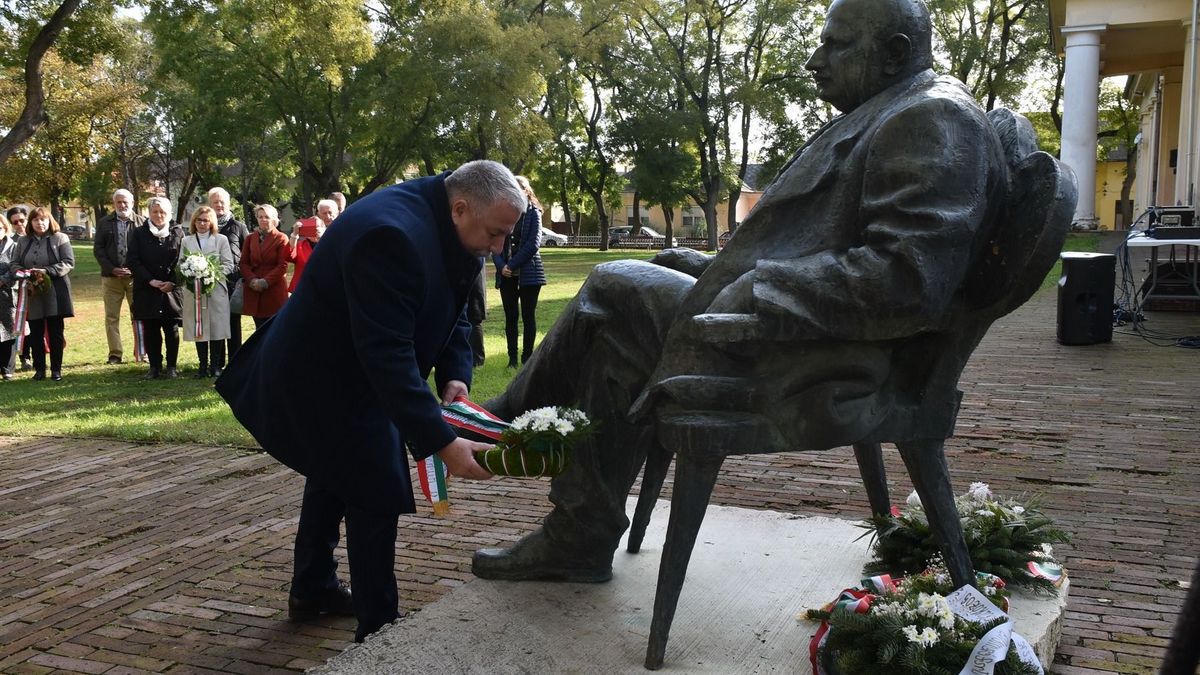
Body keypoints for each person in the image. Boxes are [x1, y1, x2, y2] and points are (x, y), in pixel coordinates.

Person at [470, 0, 1008, 583]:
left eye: (836, 45)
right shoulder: (890, 111)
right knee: (619, 342)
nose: (815, 60)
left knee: (611, 284)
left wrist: (752, 286)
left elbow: (908, 279)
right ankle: (577, 533)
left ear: (895, 54)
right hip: (799, 336)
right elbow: (820, 244)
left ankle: (497, 424)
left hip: (825, 363)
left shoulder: (929, 119)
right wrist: (714, 269)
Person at [216, 160, 522, 643]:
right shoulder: (391, 236)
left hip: (351, 371)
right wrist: (443, 443)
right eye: (496, 233)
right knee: (375, 488)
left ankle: (312, 588)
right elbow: (387, 356)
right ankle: (379, 632)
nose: (499, 247)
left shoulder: (454, 220)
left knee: (335, 474)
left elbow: (455, 301)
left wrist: (455, 374)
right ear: (461, 208)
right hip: (318, 376)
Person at [12, 207, 76, 381]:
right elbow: (15, 263)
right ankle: (39, 369)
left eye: (43, 219)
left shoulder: (60, 238)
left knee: (55, 331)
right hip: (32, 293)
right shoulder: (23, 241)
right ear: (30, 222)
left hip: (55, 290)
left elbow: (68, 262)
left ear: (49, 221)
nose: (40, 223)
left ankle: (56, 370)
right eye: (35, 220)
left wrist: (46, 271)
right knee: (35, 332)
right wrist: (23, 272)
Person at [492, 175, 546, 368]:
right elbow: (495, 240)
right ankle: (512, 360)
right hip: (506, 275)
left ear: (526, 191)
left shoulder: (534, 213)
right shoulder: (503, 212)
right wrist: (501, 266)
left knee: (528, 316)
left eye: (518, 188)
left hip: (529, 273)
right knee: (510, 317)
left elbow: (533, 244)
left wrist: (511, 265)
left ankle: (527, 360)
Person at [127, 197, 184, 379]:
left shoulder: (179, 232)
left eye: (162, 212)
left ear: (169, 214)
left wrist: (173, 282)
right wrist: (150, 280)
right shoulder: (139, 233)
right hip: (147, 288)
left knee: (171, 329)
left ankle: (172, 367)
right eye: (155, 212)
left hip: (171, 290)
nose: (158, 215)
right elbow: (133, 260)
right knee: (151, 329)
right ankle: (154, 367)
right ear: (149, 213)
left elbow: (184, 260)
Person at [179, 206, 234, 377]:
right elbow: (181, 263)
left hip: (215, 289)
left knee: (216, 327)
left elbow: (229, 264)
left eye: (206, 220)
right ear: (194, 221)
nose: (202, 223)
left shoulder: (221, 239)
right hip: (194, 291)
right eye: (199, 220)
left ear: (211, 223)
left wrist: (210, 274)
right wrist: (191, 273)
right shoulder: (186, 241)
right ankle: (202, 367)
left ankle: (215, 366)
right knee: (199, 327)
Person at [93, 188, 145, 365]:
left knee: (138, 315)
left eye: (125, 202)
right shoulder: (104, 223)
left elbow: (145, 252)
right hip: (111, 278)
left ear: (132, 203)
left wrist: (134, 269)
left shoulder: (141, 222)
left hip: (135, 278)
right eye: (118, 202)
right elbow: (98, 250)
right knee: (111, 317)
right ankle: (115, 354)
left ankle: (141, 352)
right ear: (114, 203)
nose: (122, 205)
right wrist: (112, 269)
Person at [208, 188, 249, 358]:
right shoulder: (205, 226)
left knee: (233, 322)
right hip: (210, 284)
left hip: (232, 283)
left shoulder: (239, 227)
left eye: (222, 202)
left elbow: (248, 253)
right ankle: (217, 361)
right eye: (215, 202)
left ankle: (235, 359)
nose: (219, 205)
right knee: (215, 323)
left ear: (229, 204)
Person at [240, 204, 290, 327]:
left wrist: (265, 282)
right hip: (253, 289)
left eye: (266, 217)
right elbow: (244, 262)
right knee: (258, 330)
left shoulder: (281, 238)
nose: (263, 219)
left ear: (274, 219)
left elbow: (282, 265)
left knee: (275, 329)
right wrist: (251, 280)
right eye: (260, 216)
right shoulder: (250, 238)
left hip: (273, 289)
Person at [286, 199, 337, 293]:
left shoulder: (330, 242)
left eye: (318, 227)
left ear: (323, 229)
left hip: (325, 288)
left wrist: (322, 239)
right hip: (302, 290)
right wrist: (294, 235)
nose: (314, 230)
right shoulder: (301, 246)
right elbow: (288, 256)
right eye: (311, 228)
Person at [5, 206, 31, 373]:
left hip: (36, 287)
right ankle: (25, 357)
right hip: (16, 290)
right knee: (20, 324)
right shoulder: (10, 242)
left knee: (36, 324)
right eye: (15, 222)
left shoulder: (38, 236)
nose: (19, 224)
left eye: (22, 220)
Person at [0, 214, 17, 380]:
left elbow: (16, 268)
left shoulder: (13, 247)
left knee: (7, 331)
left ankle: (8, 369)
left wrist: (2, 280)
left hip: (6, 294)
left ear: (5, 229)